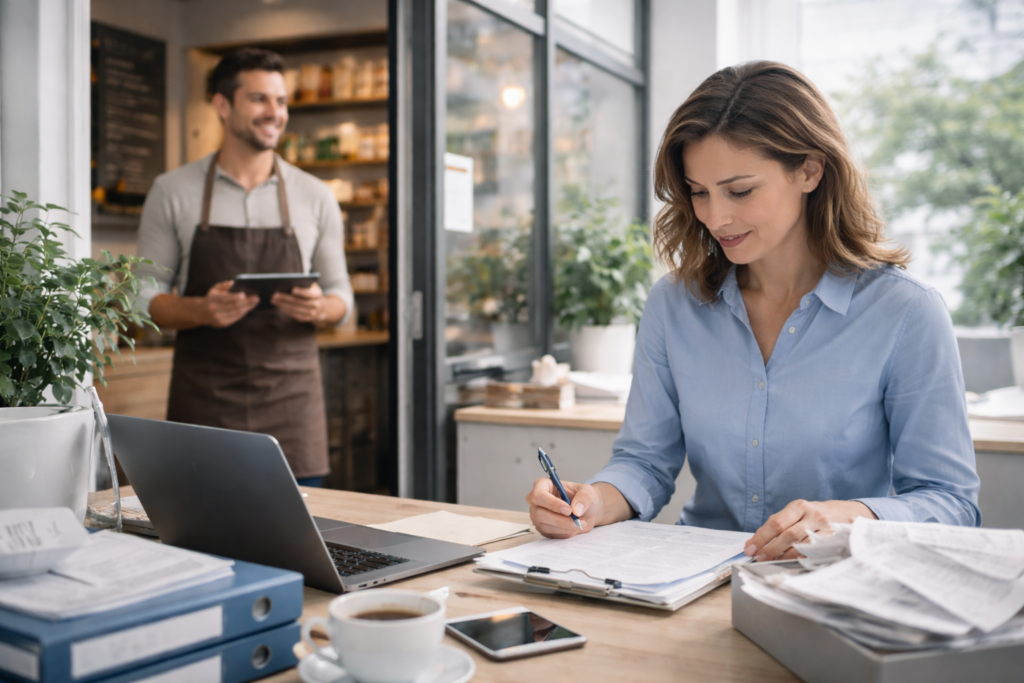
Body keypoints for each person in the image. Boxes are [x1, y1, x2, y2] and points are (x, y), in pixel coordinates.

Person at [527, 61, 981, 561]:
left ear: (809, 169)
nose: (715, 217)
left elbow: (951, 503)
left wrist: (853, 514)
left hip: (831, 585)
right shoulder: (673, 304)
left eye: (740, 191)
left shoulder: (907, 313)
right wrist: (592, 501)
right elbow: (644, 463)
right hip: (690, 579)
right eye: (698, 192)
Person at [137, 48, 353, 487]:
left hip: (292, 409)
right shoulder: (172, 190)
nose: (274, 112)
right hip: (204, 404)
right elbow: (139, 297)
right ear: (222, 105)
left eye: (282, 101)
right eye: (259, 99)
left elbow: (342, 297)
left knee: (293, 550)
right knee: (198, 544)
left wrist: (321, 308)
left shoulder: (315, 196)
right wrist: (201, 311)